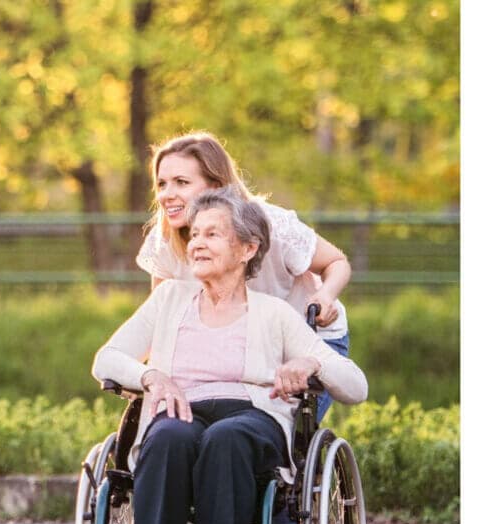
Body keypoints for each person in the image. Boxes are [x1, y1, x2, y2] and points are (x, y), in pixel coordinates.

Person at [93, 190, 367, 524]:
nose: (197, 245)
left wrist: (313, 365)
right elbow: (106, 359)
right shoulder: (169, 298)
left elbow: (356, 386)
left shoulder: (276, 313)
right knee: (168, 436)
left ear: (247, 249)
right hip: (181, 411)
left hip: (251, 418)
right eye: (195, 235)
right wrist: (151, 376)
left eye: (213, 235)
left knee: (227, 437)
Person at [136, 132, 353, 420]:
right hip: (233, 346)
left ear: (215, 186)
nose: (166, 194)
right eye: (162, 184)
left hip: (303, 341)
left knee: (273, 431)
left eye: (182, 183)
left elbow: (337, 262)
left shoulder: (271, 225)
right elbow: (161, 322)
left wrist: (325, 295)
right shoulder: (164, 239)